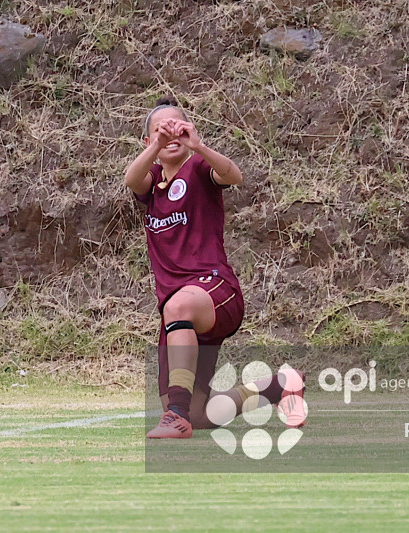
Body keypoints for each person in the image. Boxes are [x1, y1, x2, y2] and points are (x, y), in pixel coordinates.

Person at [125, 96, 305, 438]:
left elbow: (232, 175)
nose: (170, 133)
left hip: (214, 291)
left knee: (177, 305)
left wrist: (200, 146)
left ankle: (174, 418)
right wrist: (157, 146)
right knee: (202, 413)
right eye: (160, 130)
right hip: (180, 318)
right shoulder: (150, 181)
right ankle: (279, 387)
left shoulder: (198, 167)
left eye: (177, 125)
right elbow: (131, 180)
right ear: (148, 142)